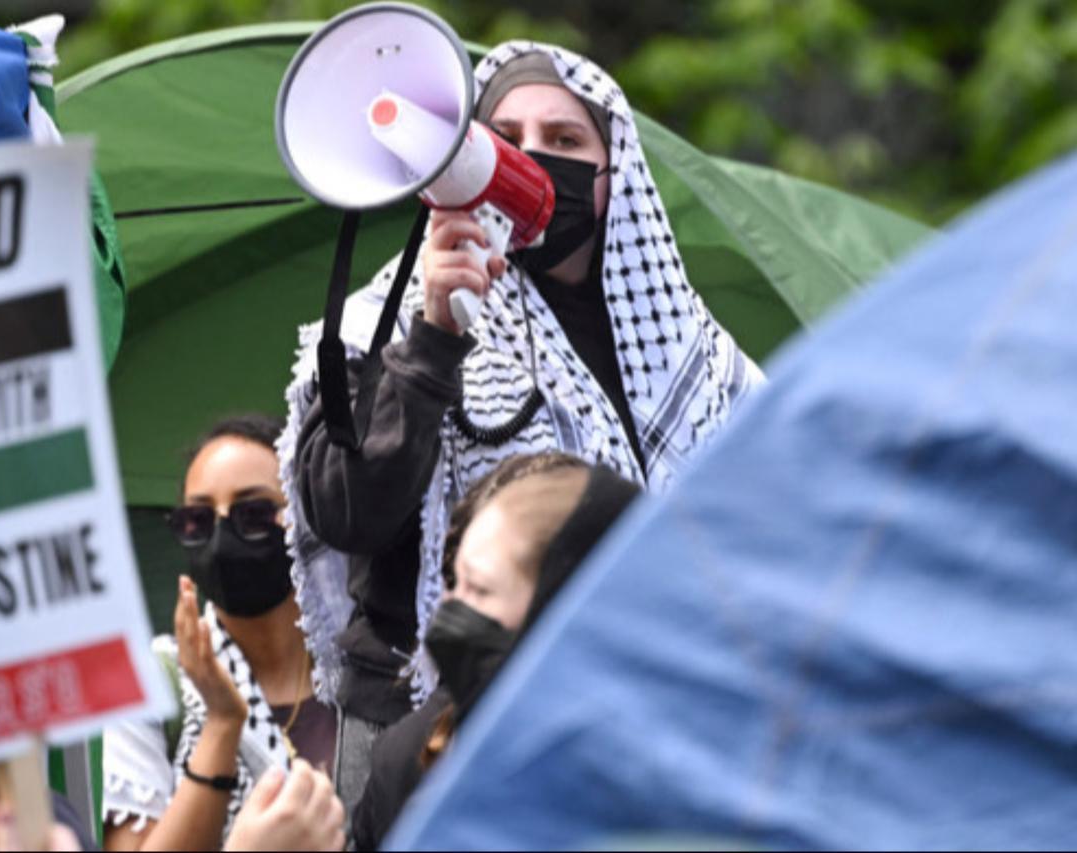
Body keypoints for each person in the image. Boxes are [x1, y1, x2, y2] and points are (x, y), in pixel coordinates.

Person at [281, 42, 764, 727]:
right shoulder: (383, 319)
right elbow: (347, 512)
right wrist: (434, 341)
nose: (531, 158)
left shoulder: (695, 355)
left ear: (613, 173)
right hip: (431, 735)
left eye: (563, 139)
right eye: (504, 140)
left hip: (646, 718)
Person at [352, 453, 640, 850]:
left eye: (480, 590)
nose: (447, 612)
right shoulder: (411, 764)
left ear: (565, 606)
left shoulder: (668, 783)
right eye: (453, 583)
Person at [102, 415, 355, 851]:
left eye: (253, 513)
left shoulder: (364, 677)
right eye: (197, 520)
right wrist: (221, 723)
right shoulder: (152, 685)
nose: (222, 538)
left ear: (303, 521)